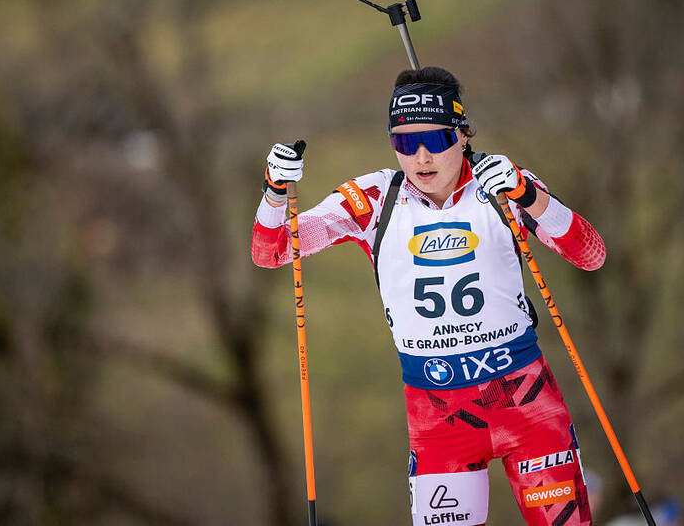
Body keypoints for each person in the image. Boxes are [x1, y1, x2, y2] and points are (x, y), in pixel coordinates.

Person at [252, 66, 606, 526]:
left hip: (525, 403)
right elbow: (274, 250)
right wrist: (276, 192)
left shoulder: (500, 186)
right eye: (404, 142)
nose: (421, 157)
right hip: (441, 420)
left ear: (461, 135)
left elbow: (590, 254)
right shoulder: (374, 198)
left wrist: (529, 195)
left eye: (435, 140)